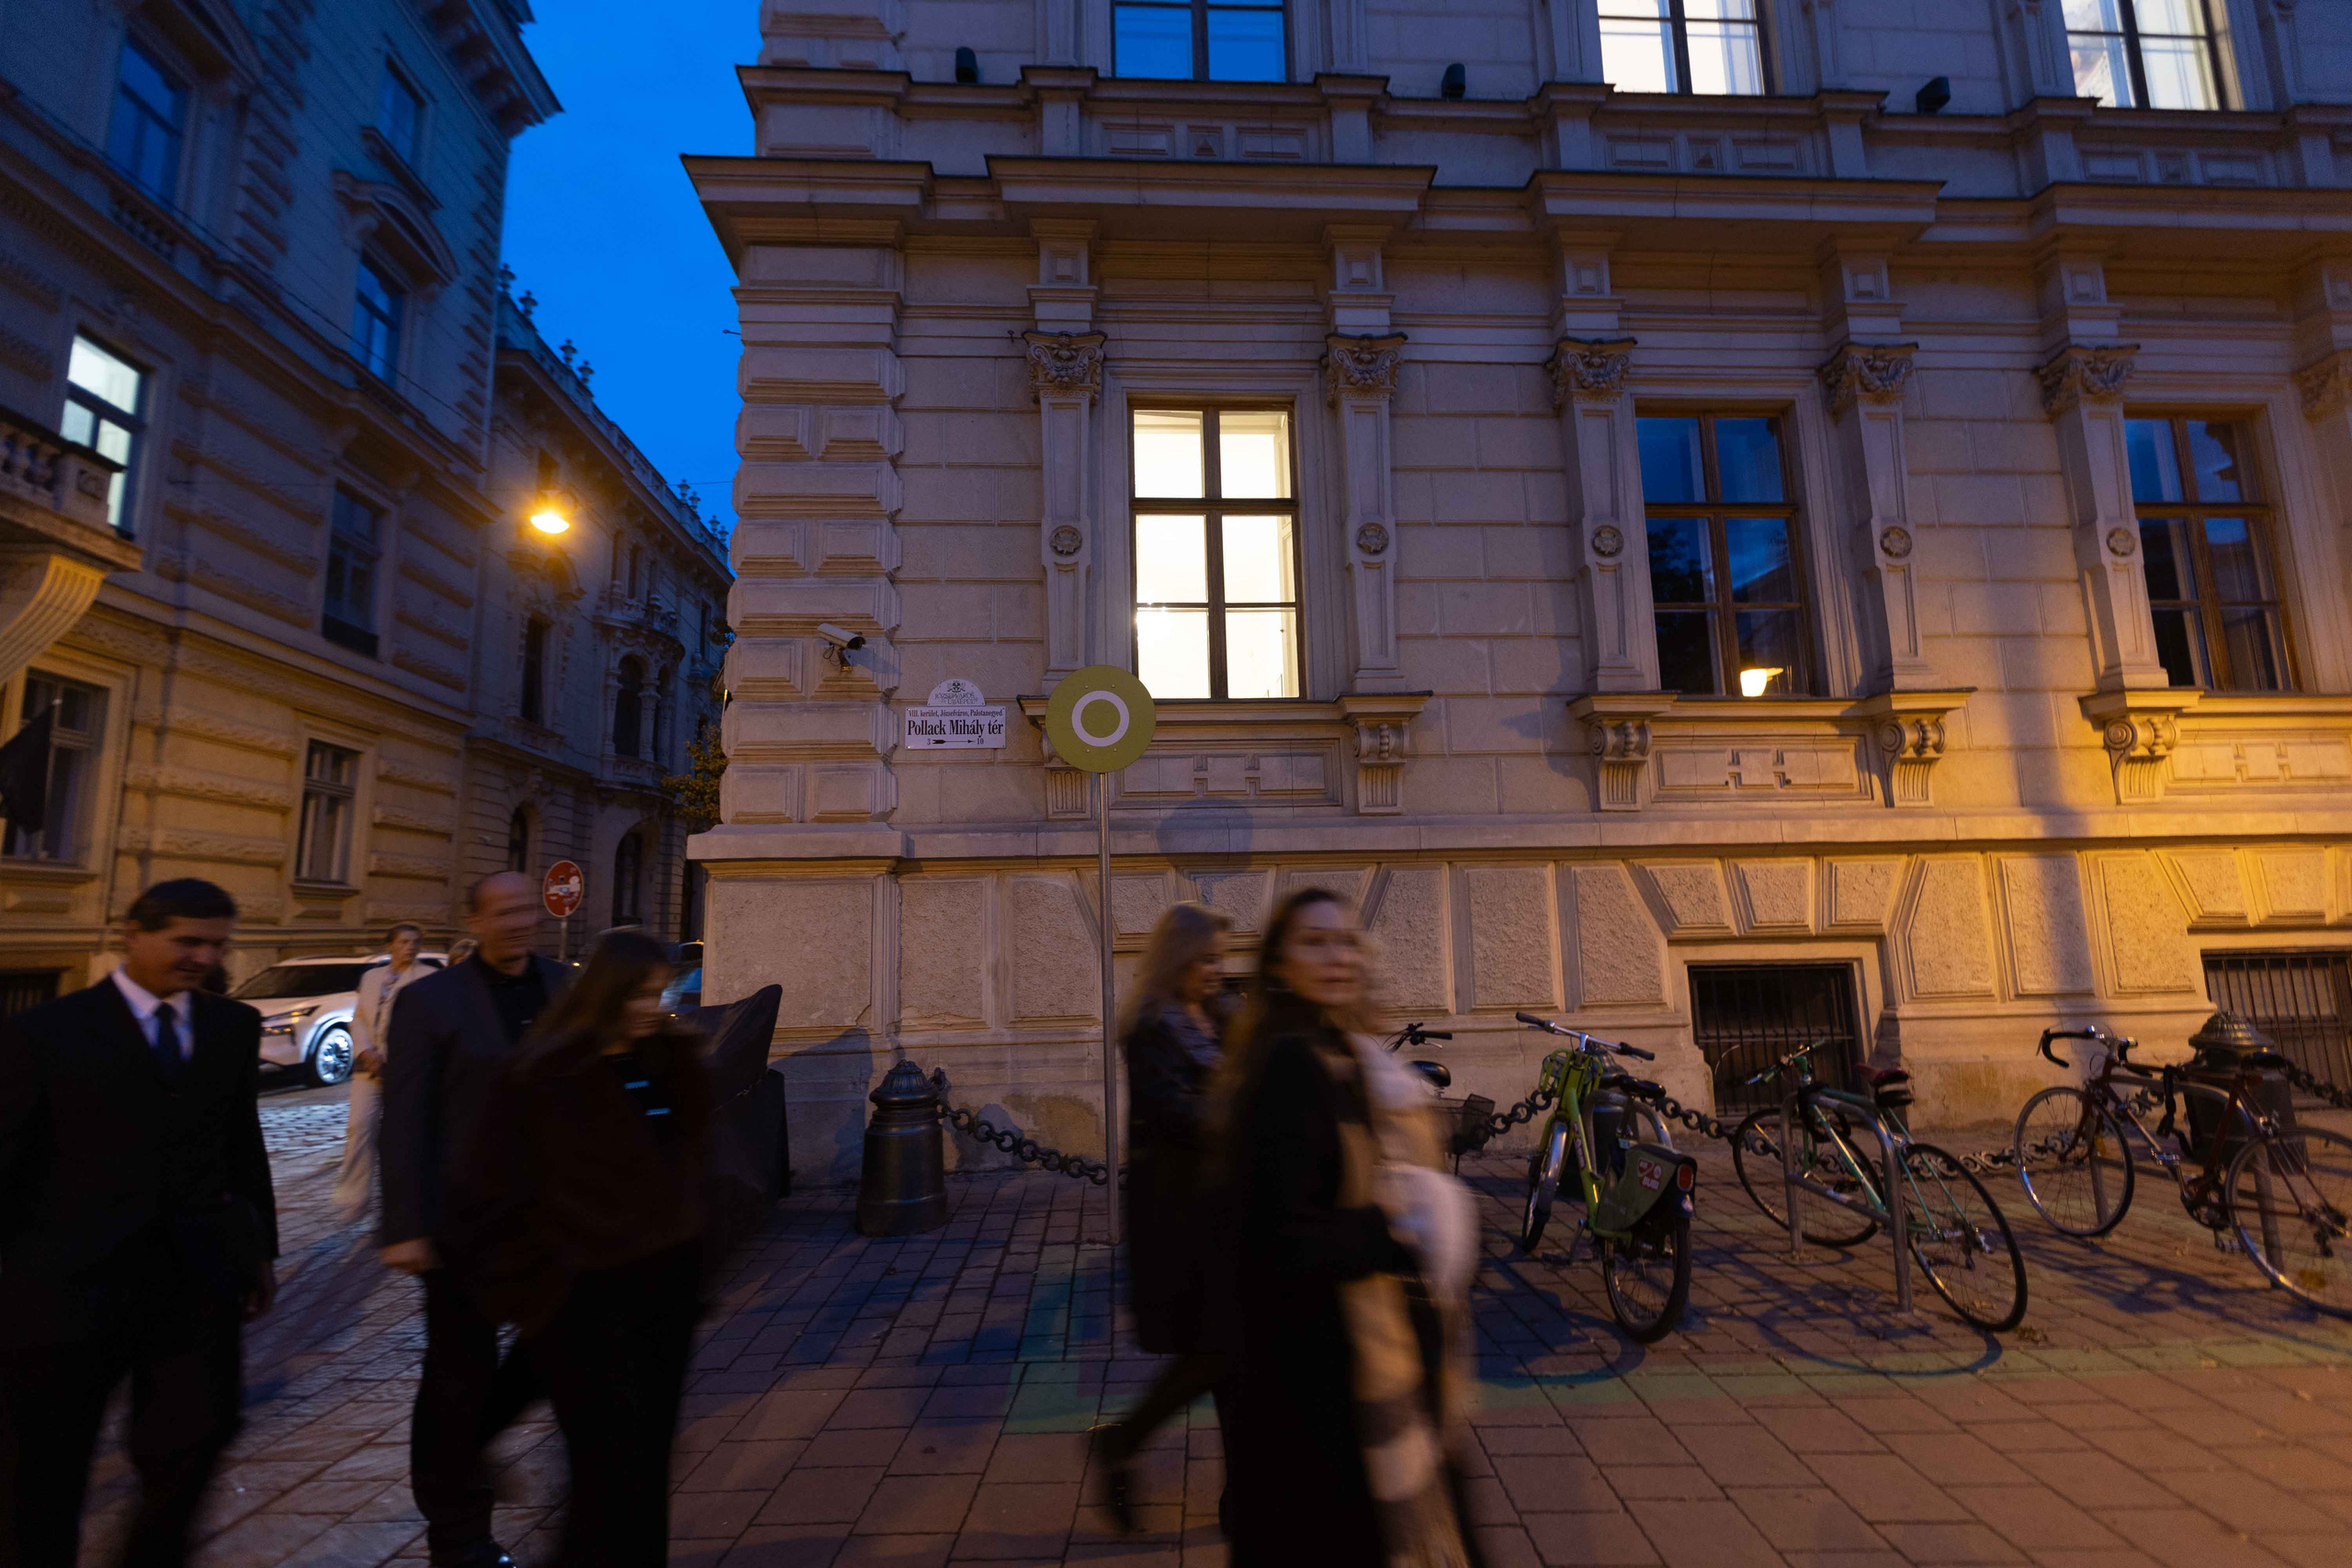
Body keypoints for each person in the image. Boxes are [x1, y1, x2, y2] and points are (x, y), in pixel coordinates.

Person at [0, 878, 277, 1568]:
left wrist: (259, 1252)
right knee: (43, 1473)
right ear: (134, 933)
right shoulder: (46, 1032)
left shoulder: (230, 1027)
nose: (201, 957)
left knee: (194, 1442)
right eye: (186, 940)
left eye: (215, 944)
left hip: (193, 1283)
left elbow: (241, 1143)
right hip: (68, 1289)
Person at [1213, 887, 1481, 1568]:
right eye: (1314, 941)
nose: (1336, 955)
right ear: (1278, 963)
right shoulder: (1288, 1065)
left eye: (1345, 940)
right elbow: (1283, 1238)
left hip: (1343, 1353)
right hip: (1314, 1375)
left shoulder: (1334, 1049)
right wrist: (1398, 1226)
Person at [444, 931, 709, 1568]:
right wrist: (536, 1292)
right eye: (640, 993)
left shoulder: (673, 1062)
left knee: (643, 1469)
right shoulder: (545, 1074)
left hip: (663, 1298)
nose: (652, 1005)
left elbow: (692, 1168)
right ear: (607, 991)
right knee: (605, 1472)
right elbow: (491, 1192)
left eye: (660, 991)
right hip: (581, 1302)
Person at [379, 873, 567, 1568]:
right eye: (504, 912)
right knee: (458, 1371)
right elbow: (404, 1118)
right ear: (475, 920)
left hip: (553, 1218)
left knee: (555, 1351)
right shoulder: (431, 1000)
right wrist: (404, 1222)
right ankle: (458, 1534)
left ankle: (478, 1445)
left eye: (527, 908)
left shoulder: (564, 983)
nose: (520, 921)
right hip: (465, 1222)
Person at [1091, 903, 1232, 1529]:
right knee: (1215, 1351)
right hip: (1179, 1214)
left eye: (1219, 957)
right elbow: (1177, 1113)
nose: (1214, 969)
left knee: (1231, 1350)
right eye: (1204, 957)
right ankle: (1123, 1440)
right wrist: (1252, 1116)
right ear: (1178, 959)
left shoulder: (1224, 1015)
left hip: (1226, 1205)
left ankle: (1240, 1491)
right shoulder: (1150, 1029)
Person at [332, 923, 430, 1224]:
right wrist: (365, 1051)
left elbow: (424, 1025)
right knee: (359, 1127)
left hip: (403, 1067)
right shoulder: (372, 977)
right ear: (390, 945)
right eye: (403, 942)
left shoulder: (428, 977)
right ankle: (354, 1197)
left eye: (415, 942)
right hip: (369, 1066)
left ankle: (405, 1199)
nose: (410, 947)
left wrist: (390, 1056)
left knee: (402, 1136)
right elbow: (358, 1018)